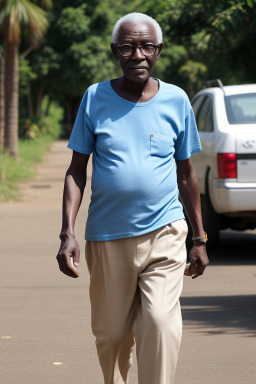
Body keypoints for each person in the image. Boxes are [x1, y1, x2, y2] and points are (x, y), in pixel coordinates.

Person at [57, 12, 209, 384]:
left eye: (145, 46)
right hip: (108, 236)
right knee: (112, 335)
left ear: (158, 50)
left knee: (159, 323)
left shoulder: (176, 100)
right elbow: (77, 170)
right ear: (115, 51)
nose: (136, 54)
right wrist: (67, 233)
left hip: (165, 231)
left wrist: (199, 238)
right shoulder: (95, 97)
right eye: (127, 46)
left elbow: (186, 173)